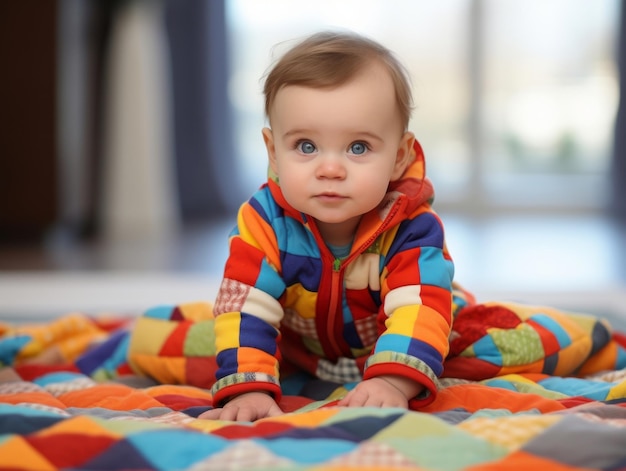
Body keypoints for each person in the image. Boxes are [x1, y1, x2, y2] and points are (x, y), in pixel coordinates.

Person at [200, 30, 455, 422]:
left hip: (388, 345)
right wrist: (249, 389)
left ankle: (581, 338)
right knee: (194, 342)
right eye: (306, 146)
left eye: (358, 147)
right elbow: (246, 305)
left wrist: (391, 381)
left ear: (400, 156)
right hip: (298, 350)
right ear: (273, 150)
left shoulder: (412, 228)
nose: (331, 169)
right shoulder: (264, 222)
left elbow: (419, 307)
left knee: (484, 344)